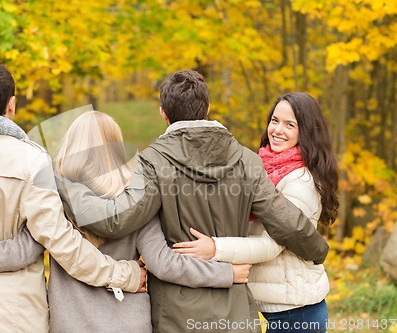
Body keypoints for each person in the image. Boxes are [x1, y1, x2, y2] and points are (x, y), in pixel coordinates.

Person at [0, 111, 251, 333]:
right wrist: (225, 273)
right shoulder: (139, 197)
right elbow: (164, 263)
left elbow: (21, 251)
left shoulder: (52, 195)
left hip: (69, 324)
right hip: (129, 323)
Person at [61, 70, 330, 332]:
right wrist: (318, 251)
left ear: (163, 113)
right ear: (208, 108)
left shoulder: (153, 162)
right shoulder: (246, 159)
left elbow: (117, 220)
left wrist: (61, 180)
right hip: (232, 309)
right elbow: (287, 222)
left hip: (178, 315)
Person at [0, 61, 146, 333]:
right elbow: (62, 242)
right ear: (12, 104)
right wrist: (124, 275)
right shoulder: (31, 161)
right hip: (18, 316)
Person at [172, 92, 339, 333]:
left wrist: (215, 248)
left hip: (297, 311)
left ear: (307, 132)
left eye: (290, 125)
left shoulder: (300, 181)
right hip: (277, 305)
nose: (277, 130)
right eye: (274, 120)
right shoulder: (262, 166)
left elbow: (271, 246)